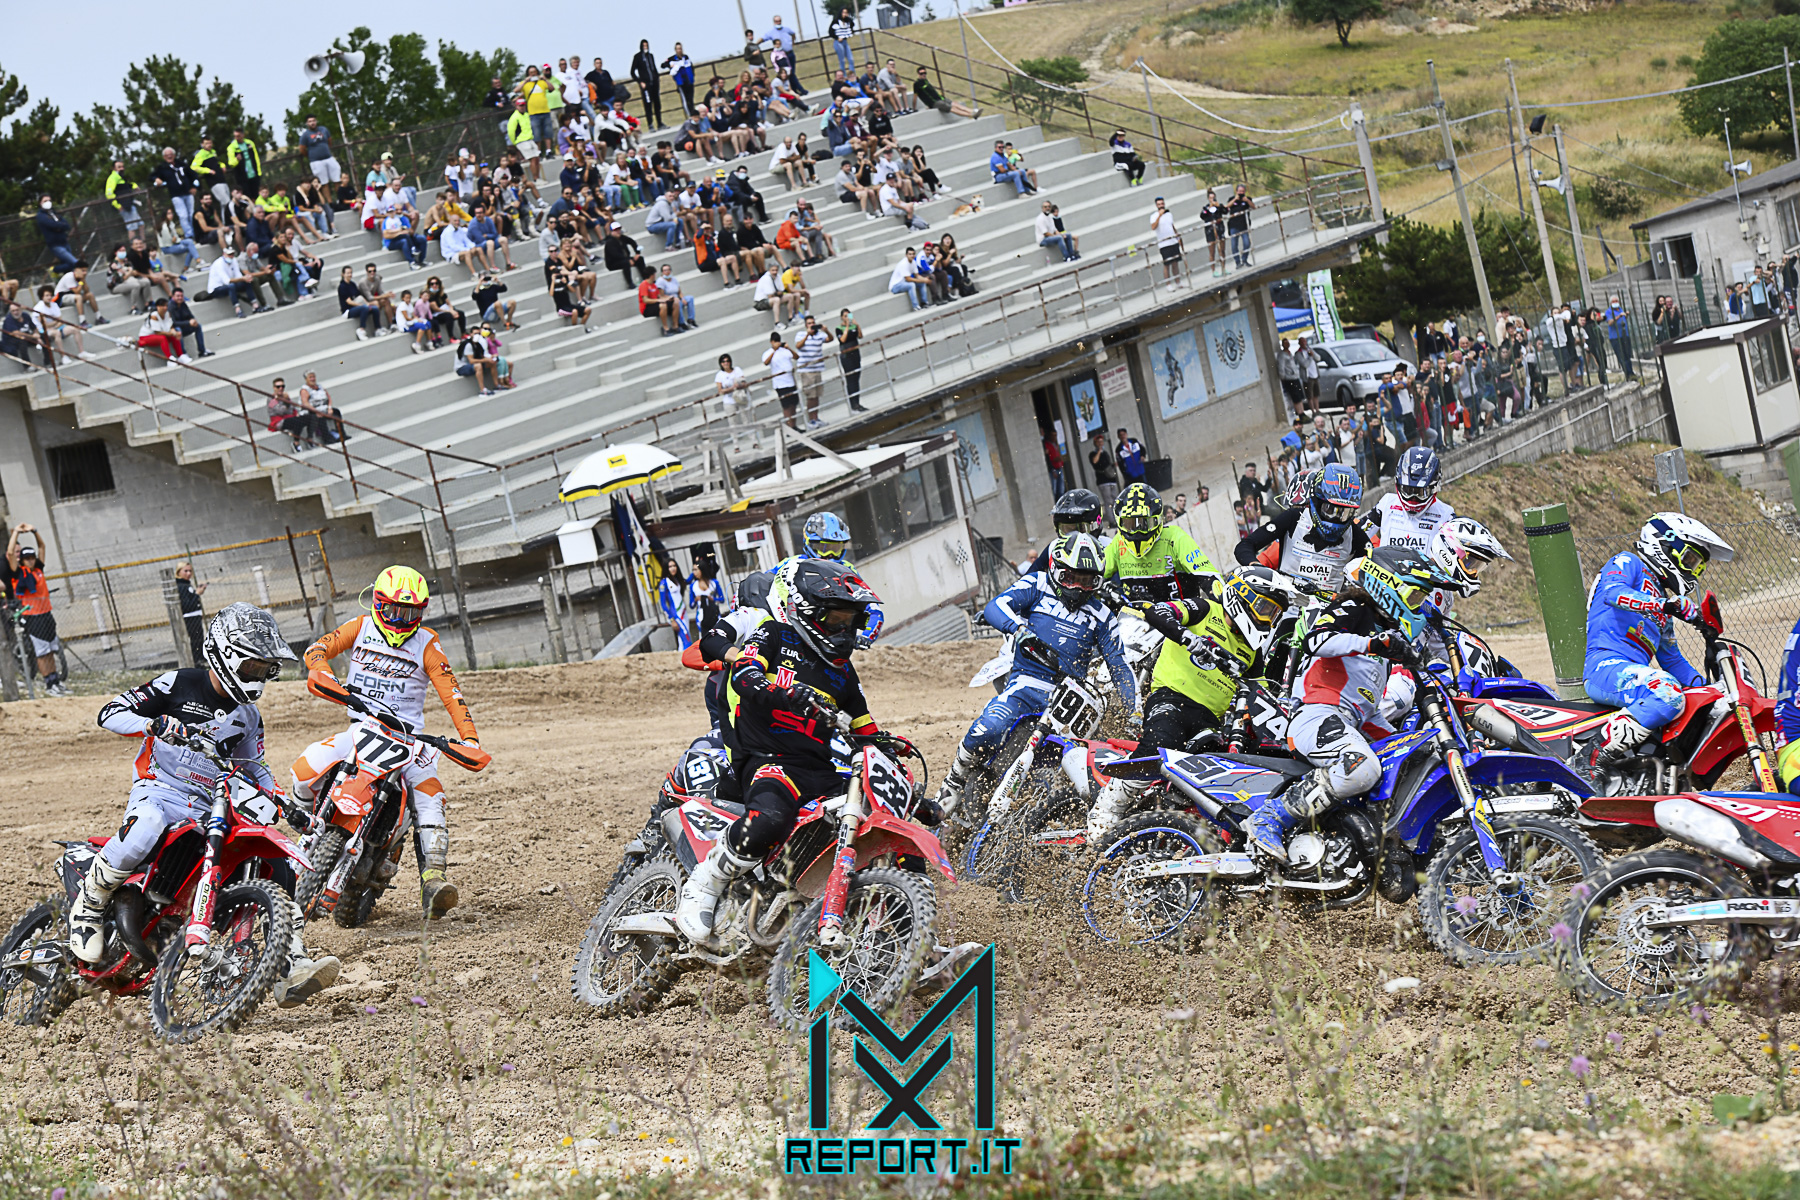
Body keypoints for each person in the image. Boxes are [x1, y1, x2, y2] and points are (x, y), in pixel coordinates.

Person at [70, 603, 340, 1004]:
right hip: (160, 789)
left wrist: (287, 804)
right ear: (226, 654)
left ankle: (289, 962)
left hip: (210, 803)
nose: (258, 676)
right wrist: (152, 724)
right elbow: (110, 712)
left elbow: (255, 767)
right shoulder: (178, 683)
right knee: (145, 827)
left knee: (276, 863)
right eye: (253, 666)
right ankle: (89, 905)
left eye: (265, 669)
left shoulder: (249, 716)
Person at [674, 560, 885, 943]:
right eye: (837, 619)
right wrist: (779, 690)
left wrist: (889, 749)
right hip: (766, 756)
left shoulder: (842, 672)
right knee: (770, 817)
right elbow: (745, 673)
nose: (845, 630)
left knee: (861, 815)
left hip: (817, 767)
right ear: (809, 612)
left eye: (851, 621)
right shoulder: (772, 632)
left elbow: (864, 728)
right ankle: (704, 884)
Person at [294, 567, 482, 917]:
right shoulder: (360, 627)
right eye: (393, 610)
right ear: (377, 603)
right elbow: (318, 648)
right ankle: (306, 824)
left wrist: (469, 738)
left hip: (410, 740)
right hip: (362, 726)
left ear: (421, 613)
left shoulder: (427, 642)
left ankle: (433, 880)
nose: (400, 620)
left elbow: (451, 694)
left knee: (430, 797)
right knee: (304, 768)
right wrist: (321, 668)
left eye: (409, 613)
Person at [1241, 549, 1445, 860]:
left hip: (1347, 722)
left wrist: (1408, 740)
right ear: (1389, 585)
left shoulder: (1382, 637)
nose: (1418, 605)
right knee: (1362, 768)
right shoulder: (1354, 607)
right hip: (1316, 716)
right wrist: (1372, 643)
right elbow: (1315, 641)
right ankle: (1270, 817)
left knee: (1416, 756)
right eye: (1415, 596)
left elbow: (1368, 712)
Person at [1085, 567, 1296, 840]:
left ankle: (1182, 830)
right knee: (1160, 744)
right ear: (1242, 596)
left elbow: (1259, 692)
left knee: (1215, 773)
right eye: (1264, 608)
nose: (1267, 618)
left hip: (1210, 721)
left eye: (1274, 614)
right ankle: (1105, 811)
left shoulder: (1253, 651)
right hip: (1171, 698)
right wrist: (1189, 637)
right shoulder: (1205, 609)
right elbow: (1158, 612)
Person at [934, 534, 1132, 817]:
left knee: (1062, 773)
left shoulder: (1102, 616)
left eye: (1087, 581)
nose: (1078, 587)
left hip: (1067, 701)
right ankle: (954, 781)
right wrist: (1018, 629)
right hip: (1026, 684)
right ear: (1056, 569)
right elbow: (995, 606)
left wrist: (1133, 714)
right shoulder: (1037, 584)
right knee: (988, 729)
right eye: (1070, 578)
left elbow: (1120, 667)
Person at [1583, 515, 1734, 785]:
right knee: (1667, 692)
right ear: (1664, 544)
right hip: (1604, 666)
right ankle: (1589, 759)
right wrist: (1664, 604)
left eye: (1698, 567)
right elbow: (1612, 593)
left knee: (1698, 705)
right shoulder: (1628, 562)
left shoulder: (1663, 608)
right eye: (1689, 560)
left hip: (1631, 673)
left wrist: (1713, 690)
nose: (1693, 571)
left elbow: (1673, 660)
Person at [1233, 463, 1370, 593]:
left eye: (1345, 513)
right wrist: (1256, 567)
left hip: (1331, 608)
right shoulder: (1293, 518)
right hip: (1288, 603)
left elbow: (1374, 564)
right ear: (1317, 501)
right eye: (1329, 509)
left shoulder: (1355, 533)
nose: (1336, 519)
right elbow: (1245, 545)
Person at [1106, 482, 1219, 607]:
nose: (1138, 531)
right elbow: (1098, 573)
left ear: (1158, 519)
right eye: (1130, 524)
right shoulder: (1117, 542)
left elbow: (1208, 576)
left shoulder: (1175, 537)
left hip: (1181, 614)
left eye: (1145, 523)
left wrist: (1221, 597)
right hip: (1135, 617)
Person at [5, 525, 66, 694]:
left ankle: (56, 681)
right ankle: (49, 684)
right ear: (22, 561)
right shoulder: (19, 573)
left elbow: (42, 547)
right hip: (33, 616)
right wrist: (16, 532)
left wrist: (35, 531)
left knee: (51, 649)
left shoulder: (38, 570)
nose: (31, 561)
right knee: (42, 652)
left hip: (46, 613)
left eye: (32, 558)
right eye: (27, 559)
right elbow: (10, 553)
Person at [1370, 447, 1450, 556]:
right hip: (1385, 566)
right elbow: (1357, 535)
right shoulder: (1386, 504)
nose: (1413, 498)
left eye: (1420, 493)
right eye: (1408, 490)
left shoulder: (1446, 515)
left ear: (1434, 487)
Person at [1026, 488, 1105, 574]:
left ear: (1095, 525)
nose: (1075, 537)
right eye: (1068, 530)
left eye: (1080, 528)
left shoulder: (1108, 547)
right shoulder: (1054, 547)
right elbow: (1029, 577)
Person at [763, 331, 800, 428]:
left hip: (790, 381)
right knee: (786, 406)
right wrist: (774, 351)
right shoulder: (768, 353)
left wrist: (788, 348)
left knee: (793, 405)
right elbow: (766, 362)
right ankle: (789, 427)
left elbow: (796, 357)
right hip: (780, 384)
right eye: (775, 341)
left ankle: (794, 426)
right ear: (771, 342)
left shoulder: (785, 350)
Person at [913, 65, 980, 119]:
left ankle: (973, 111)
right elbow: (915, 97)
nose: (924, 75)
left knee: (954, 103)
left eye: (925, 73)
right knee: (952, 108)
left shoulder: (925, 81)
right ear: (918, 74)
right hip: (934, 103)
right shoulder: (917, 84)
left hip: (940, 98)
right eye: (921, 73)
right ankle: (971, 115)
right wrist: (914, 108)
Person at [174, 561, 208, 664]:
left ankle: (200, 659)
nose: (188, 573)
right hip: (190, 618)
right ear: (179, 572)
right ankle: (197, 661)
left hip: (195, 616)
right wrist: (197, 594)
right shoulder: (181, 586)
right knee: (195, 640)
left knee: (199, 638)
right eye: (185, 571)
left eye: (190, 571)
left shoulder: (186, 584)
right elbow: (187, 605)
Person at [658, 557, 693, 649]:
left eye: (674, 566)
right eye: (670, 567)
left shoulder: (677, 579)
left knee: (682, 639)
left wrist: (696, 566)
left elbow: (688, 581)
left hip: (683, 613)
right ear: (666, 568)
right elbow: (663, 604)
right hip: (676, 615)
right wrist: (671, 619)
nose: (673, 568)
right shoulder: (663, 583)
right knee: (686, 637)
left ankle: (681, 655)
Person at [298, 116, 342, 189]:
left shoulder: (324, 129)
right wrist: (311, 155)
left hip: (329, 158)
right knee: (323, 183)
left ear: (316, 121)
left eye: (313, 120)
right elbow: (302, 149)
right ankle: (328, 197)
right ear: (307, 123)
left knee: (337, 178)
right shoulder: (305, 135)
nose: (312, 123)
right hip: (316, 161)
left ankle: (340, 195)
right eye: (310, 121)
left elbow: (329, 140)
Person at [835, 308, 865, 413]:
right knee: (850, 379)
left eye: (849, 315)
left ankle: (857, 402)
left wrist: (857, 325)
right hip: (846, 356)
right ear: (842, 318)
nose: (847, 318)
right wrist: (847, 326)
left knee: (856, 378)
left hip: (855, 354)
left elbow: (860, 336)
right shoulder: (839, 329)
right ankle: (853, 404)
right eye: (845, 316)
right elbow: (842, 340)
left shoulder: (854, 326)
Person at [1151, 196, 1184, 289]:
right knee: (1167, 264)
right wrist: (1159, 216)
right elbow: (1153, 227)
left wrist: (1177, 237)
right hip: (1164, 244)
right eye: (1159, 204)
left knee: (1175, 263)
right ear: (1156, 205)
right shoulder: (1154, 216)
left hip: (1173, 241)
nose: (1161, 206)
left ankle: (1178, 282)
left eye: (1162, 204)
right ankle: (1168, 284)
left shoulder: (1169, 214)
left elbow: (1172, 226)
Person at [1226, 183, 1255, 269]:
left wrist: (1247, 201)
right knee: (1234, 245)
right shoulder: (1232, 199)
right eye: (1239, 191)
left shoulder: (1247, 199)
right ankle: (1237, 262)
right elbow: (1227, 206)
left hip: (1244, 225)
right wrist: (1235, 199)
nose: (1241, 193)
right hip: (1233, 225)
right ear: (1236, 191)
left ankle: (1244, 259)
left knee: (1247, 243)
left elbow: (1253, 207)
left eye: (1242, 191)